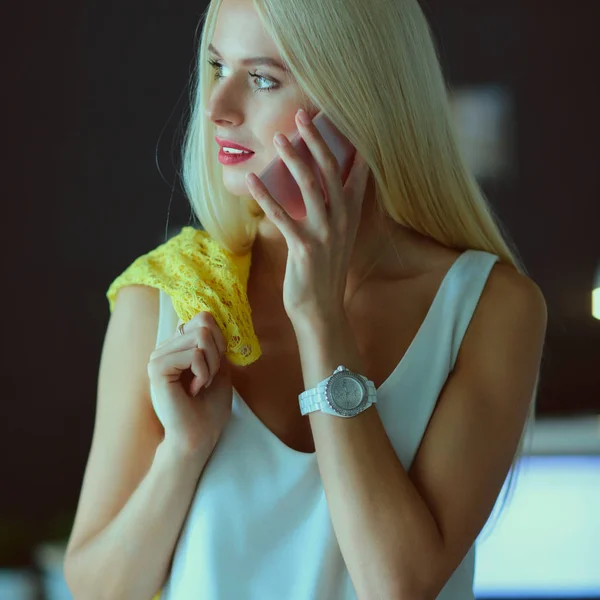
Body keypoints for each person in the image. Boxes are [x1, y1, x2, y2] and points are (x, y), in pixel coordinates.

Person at [63, 0, 547, 598]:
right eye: (217, 68)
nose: (218, 108)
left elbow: (396, 584)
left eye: (263, 79)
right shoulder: (164, 295)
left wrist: (322, 321)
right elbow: (95, 590)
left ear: (365, 99)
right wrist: (182, 454)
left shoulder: (489, 308)